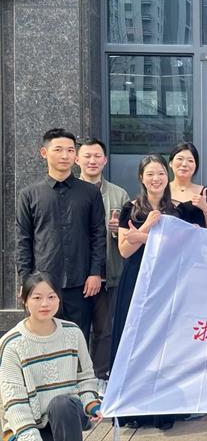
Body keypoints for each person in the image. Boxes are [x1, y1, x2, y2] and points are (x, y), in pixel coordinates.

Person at [16, 128, 106, 344]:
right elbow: (23, 239)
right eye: (58, 149)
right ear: (44, 153)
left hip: (81, 283)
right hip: (43, 282)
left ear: (75, 155)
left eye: (70, 150)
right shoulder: (29, 194)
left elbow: (98, 235)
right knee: (42, 340)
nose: (65, 155)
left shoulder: (90, 192)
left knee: (78, 339)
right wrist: (26, 279)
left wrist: (95, 272)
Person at [110, 154, 179, 431]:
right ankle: (133, 407)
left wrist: (140, 237)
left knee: (164, 343)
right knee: (135, 341)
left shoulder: (177, 209)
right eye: (150, 174)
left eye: (160, 173)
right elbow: (125, 250)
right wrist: (147, 225)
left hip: (168, 281)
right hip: (136, 280)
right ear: (141, 177)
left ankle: (164, 408)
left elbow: (180, 247)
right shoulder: (130, 208)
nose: (156, 179)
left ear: (167, 176)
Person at [0, 272, 103, 441]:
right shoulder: (12, 344)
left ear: (59, 299)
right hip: (29, 424)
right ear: (25, 300)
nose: (45, 304)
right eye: (37, 298)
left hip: (68, 414)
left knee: (61, 404)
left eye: (51, 297)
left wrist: (91, 404)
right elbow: (15, 402)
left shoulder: (73, 333)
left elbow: (85, 377)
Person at [76, 138, 130, 382]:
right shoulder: (70, 192)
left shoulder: (119, 194)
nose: (92, 161)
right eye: (87, 156)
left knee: (105, 331)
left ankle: (99, 378)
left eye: (97, 156)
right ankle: (76, 378)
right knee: (76, 329)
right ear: (77, 159)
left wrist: (118, 231)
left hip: (110, 273)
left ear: (105, 160)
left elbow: (127, 234)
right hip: (76, 275)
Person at [168, 142, 207, 228]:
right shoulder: (161, 191)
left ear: (196, 166)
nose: (184, 164)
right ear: (170, 163)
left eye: (190, 161)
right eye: (180, 159)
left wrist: (206, 209)